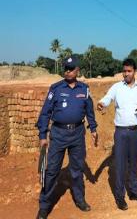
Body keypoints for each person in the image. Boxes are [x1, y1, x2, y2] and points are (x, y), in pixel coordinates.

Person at [36, 56, 98, 219]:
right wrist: (43, 135)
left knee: (77, 170)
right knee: (52, 171)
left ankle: (80, 199)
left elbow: (89, 110)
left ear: (78, 70)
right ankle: (44, 206)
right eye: (66, 68)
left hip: (77, 134)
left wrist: (93, 128)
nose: (67, 71)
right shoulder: (55, 88)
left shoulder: (84, 89)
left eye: (71, 69)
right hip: (58, 134)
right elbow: (45, 113)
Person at [97, 59, 137, 210]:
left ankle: (134, 192)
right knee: (120, 165)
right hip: (121, 132)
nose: (126, 74)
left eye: (129, 71)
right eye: (124, 71)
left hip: (136, 132)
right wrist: (102, 103)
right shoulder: (117, 87)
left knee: (133, 163)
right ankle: (120, 198)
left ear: (135, 72)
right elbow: (108, 98)